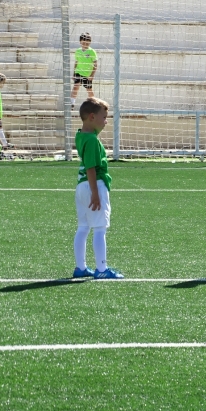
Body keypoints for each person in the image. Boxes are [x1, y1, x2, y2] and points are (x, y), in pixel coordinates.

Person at [73, 97, 123, 279]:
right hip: (93, 186)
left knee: (83, 227)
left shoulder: (81, 135)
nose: (106, 121)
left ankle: (80, 267)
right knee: (100, 228)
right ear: (92, 117)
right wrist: (95, 193)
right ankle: (102, 270)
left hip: (80, 187)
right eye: (104, 117)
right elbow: (91, 168)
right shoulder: (92, 141)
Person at [70, 32, 98, 110]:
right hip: (79, 72)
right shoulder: (78, 51)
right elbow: (76, 62)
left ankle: (94, 104)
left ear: (90, 43)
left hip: (87, 74)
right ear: (80, 42)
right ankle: (71, 103)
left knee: (89, 90)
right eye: (83, 43)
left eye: (87, 43)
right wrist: (74, 73)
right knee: (75, 87)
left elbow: (95, 63)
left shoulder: (92, 52)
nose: (85, 45)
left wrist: (92, 75)